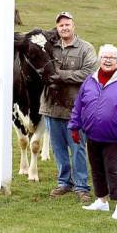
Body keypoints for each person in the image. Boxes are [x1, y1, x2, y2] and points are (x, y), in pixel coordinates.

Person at [69, 44, 117, 220]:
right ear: (99, 60)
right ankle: (102, 200)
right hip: (92, 134)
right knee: (97, 169)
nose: (107, 60)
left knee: (113, 170)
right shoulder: (90, 80)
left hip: (113, 137)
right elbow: (79, 105)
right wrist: (74, 126)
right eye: (104, 57)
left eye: (111, 58)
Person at [40, 11, 98, 203]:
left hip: (77, 109)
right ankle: (64, 182)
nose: (64, 28)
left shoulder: (85, 48)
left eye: (67, 24)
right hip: (51, 106)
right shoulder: (50, 48)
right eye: (60, 25)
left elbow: (89, 72)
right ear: (56, 28)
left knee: (78, 147)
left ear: (74, 26)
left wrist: (61, 75)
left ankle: (81, 186)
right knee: (58, 148)